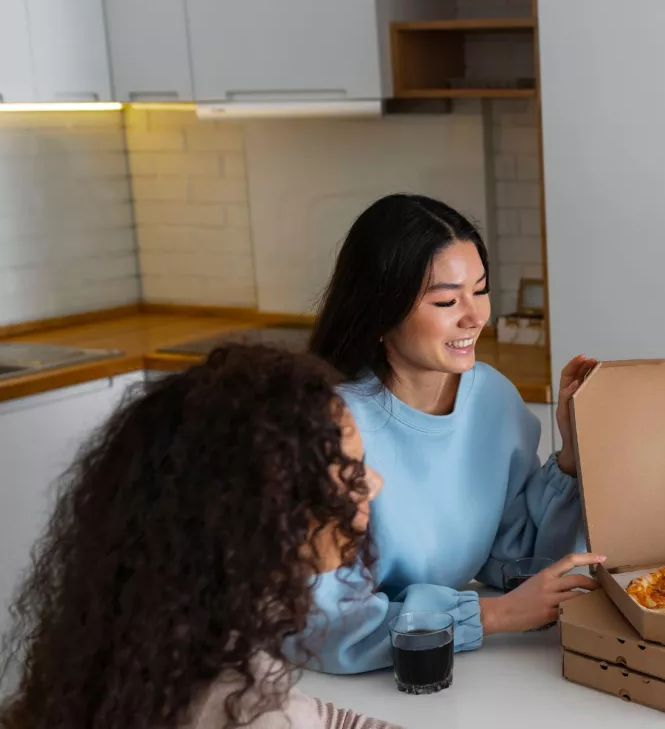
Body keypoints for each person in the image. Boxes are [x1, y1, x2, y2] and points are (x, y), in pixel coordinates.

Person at [0, 345, 397, 729]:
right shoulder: (256, 710)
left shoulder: (116, 655)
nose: (374, 484)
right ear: (272, 511)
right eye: (352, 470)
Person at [302, 193, 602, 674]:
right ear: (381, 310)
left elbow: (516, 562)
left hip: (453, 673)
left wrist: (570, 454)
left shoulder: (491, 399)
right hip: (335, 686)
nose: (475, 316)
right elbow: (322, 626)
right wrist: (494, 615)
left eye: (480, 290)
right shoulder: (329, 425)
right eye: (446, 300)